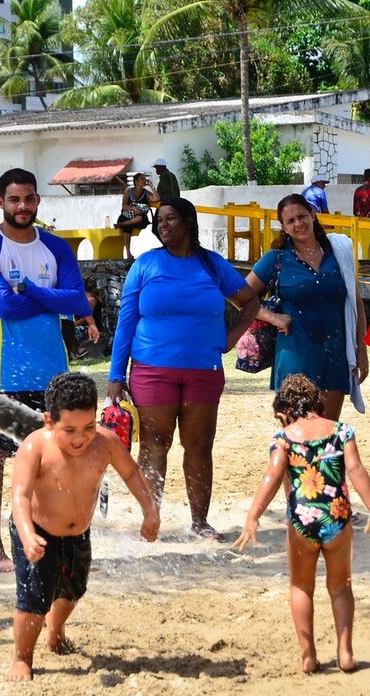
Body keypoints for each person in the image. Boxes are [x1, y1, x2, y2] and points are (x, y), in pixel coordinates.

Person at [108, 197, 259, 541]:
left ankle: (199, 522)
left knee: (199, 446)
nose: (162, 225)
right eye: (159, 220)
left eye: (170, 219)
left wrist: (230, 339)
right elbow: (126, 322)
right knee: (154, 446)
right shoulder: (144, 265)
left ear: (189, 221)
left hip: (203, 370)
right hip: (151, 370)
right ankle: (151, 521)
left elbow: (250, 301)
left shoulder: (212, 265)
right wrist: (116, 375)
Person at [0, 168, 93, 572]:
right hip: (0, 373)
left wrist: (33, 291)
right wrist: (55, 299)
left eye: (29, 199)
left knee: (56, 459)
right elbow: (3, 305)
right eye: (14, 199)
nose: (22, 206)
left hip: (52, 373)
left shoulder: (56, 247)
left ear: (39, 201)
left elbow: (79, 301)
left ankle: (46, 543)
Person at [6, 372, 160, 680]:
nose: (80, 438)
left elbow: (131, 474)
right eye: (70, 430)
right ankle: (22, 658)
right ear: (49, 421)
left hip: (78, 532)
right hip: (37, 532)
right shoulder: (34, 447)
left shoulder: (105, 443)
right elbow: (20, 497)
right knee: (35, 599)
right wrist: (27, 536)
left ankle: (56, 630)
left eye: (89, 427)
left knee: (73, 589)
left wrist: (150, 509)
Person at [234, 374, 370, 674]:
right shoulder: (342, 431)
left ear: (283, 411)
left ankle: (308, 655)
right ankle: (345, 653)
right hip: (337, 517)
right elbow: (355, 469)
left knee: (301, 586)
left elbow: (273, 475)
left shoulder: (285, 437)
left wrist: (253, 515)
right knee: (341, 588)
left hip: (302, 519)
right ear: (319, 402)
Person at [246, 193, 368, 420]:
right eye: (290, 221)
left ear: (313, 215)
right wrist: (273, 318)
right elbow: (242, 297)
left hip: (335, 356)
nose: (298, 223)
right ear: (283, 227)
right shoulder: (277, 259)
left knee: (328, 436)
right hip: (295, 358)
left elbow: (355, 302)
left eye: (302, 216)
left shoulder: (338, 253)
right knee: (297, 438)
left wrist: (361, 350)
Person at [114, 172, 157, 260]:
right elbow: (124, 205)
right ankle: (128, 253)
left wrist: (152, 187)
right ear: (136, 181)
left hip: (140, 217)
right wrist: (133, 208)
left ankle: (121, 224)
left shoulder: (146, 193)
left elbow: (156, 198)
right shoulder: (128, 191)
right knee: (128, 228)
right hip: (128, 215)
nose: (144, 181)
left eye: (145, 179)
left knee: (139, 218)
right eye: (142, 179)